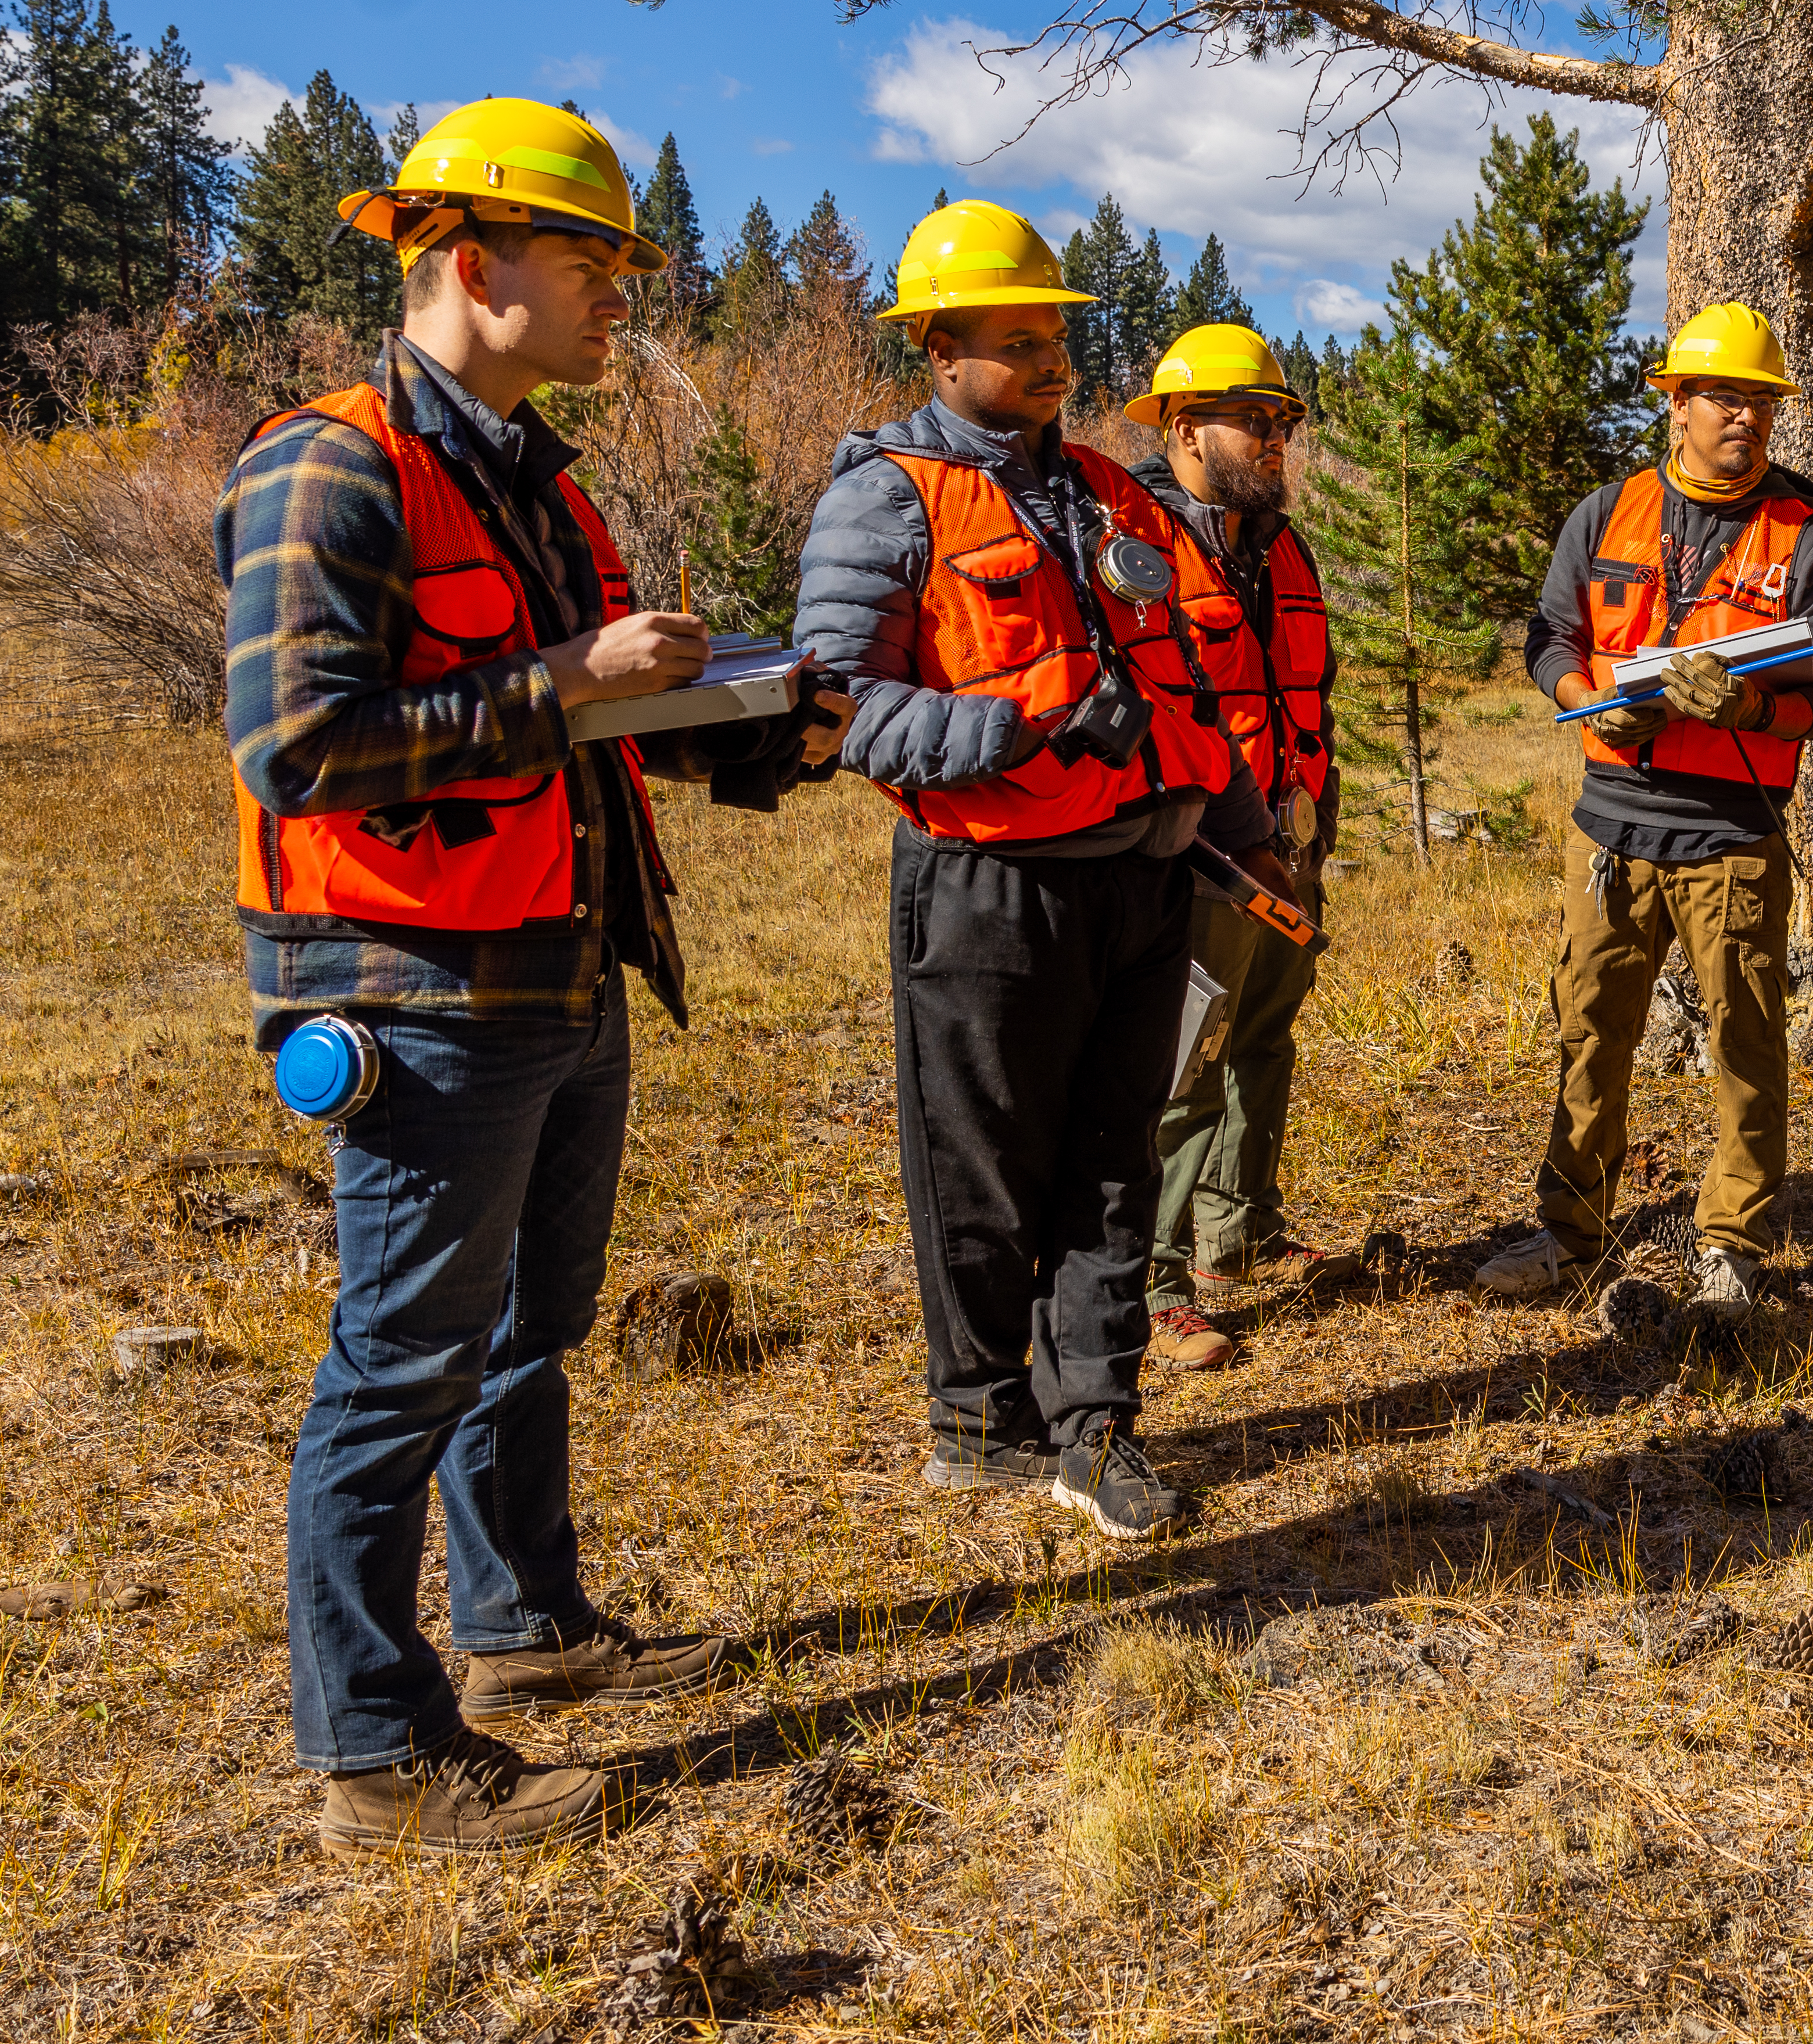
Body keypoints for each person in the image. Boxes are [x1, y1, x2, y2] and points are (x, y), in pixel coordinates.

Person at [222, 98, 853, 1857]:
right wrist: (564, 674)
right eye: (592, 264)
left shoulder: (535, 479)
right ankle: (373, 1754)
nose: (615, 304)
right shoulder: (328, 465)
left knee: (526, 1332)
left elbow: (594, 732)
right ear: (473, 261)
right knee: (400, 1358)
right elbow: (298, 748)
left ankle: (522, 1629)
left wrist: (759, 732)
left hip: (558, 964)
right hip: (412, 981)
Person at [794, 201, 1289, 1539]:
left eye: (1058, 335)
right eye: (1017, 341)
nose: (1050, 362)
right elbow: (837, 708)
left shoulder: (1120, 495)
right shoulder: (886, 496)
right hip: (982, 884)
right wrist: (1022, 727)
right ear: (938, 346)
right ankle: (977, 1414)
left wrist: (1244, 826)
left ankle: (1095, 1426)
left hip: (1142, 877)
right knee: (981, 1166)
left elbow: (1190, 677)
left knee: (1115, 1160)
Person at [1478, 302, 1813, 1323]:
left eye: (1761, 402)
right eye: (1724, 397)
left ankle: (1733, 1240)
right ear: (1677, 403)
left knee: (1746, 1042)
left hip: (1731, 838)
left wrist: (1747, 704)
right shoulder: (1606, 514)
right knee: (1590, 1031)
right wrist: (1588, 703)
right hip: (1609, 828)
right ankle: (1571, 1234)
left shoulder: (1805, 541)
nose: (1745, 418)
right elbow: (1550, 640)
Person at [1123, 324, 1345, 1370]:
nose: (1274, 441)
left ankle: (1238, 1225)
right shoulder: (1133, 545)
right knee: (1183, 1065)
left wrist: (1312, 828)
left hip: (1290, 845)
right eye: (1252, 421)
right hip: (1196, 856)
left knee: (1264, 1038)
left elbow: (1311, 696)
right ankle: (1151, 1281)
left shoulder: (1279, 545)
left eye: (1281, 423)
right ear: (1179, 425)